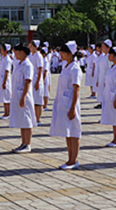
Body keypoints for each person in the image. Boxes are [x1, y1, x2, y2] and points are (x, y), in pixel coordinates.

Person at [49, 41, 82, 169]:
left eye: (63, 52)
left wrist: (73, 108)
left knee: (74, 131)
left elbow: (76, 89)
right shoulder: (66, 66)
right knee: (67, 132)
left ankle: (74, 160)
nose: (60, 54)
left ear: (69, 54)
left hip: (71, 104)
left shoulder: (75, 68)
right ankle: (69, 159)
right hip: (64, 102)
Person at [10, 44, 37, 153]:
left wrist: (23, 96)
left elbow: (28, 81)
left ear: (22, 52)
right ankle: (23, 142)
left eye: (16, 51)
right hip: (18, 94)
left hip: (24, 95)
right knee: (22, 119)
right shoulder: (19, 64)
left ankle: (28, 144)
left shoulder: (27, 65)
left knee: (27, 120)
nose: (15, 54)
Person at [28, 40, 44, 126]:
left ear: (36, 47)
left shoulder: (38, 56)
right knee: (33, 100)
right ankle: (34, 118)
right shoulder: (30, 55)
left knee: (38, 101)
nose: (30, 48)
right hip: (32, 79)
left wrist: (38, 81)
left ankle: (38, 119)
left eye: (31, 46)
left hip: (37, 79)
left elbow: (40, 69)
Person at [0, 44, 13, 120]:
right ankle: (5, 112)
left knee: (7, 97)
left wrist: (4, 82)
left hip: (5, 80)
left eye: (2, 49)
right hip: (1, 79)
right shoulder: (3, 58)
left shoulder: (8, 59)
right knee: (4, 97)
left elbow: (7, 71)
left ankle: (8, 113)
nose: (1, 50)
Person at [95, 40, 112, 109]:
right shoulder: (103, 56)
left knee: (106, 95)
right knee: (102, 94)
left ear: (108, 48)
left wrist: (107, 80)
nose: (102, 48)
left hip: (106, 79)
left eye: (103, 47)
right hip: (101, 78)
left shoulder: (109, 57)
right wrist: (98, 80)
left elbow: (110, 69)